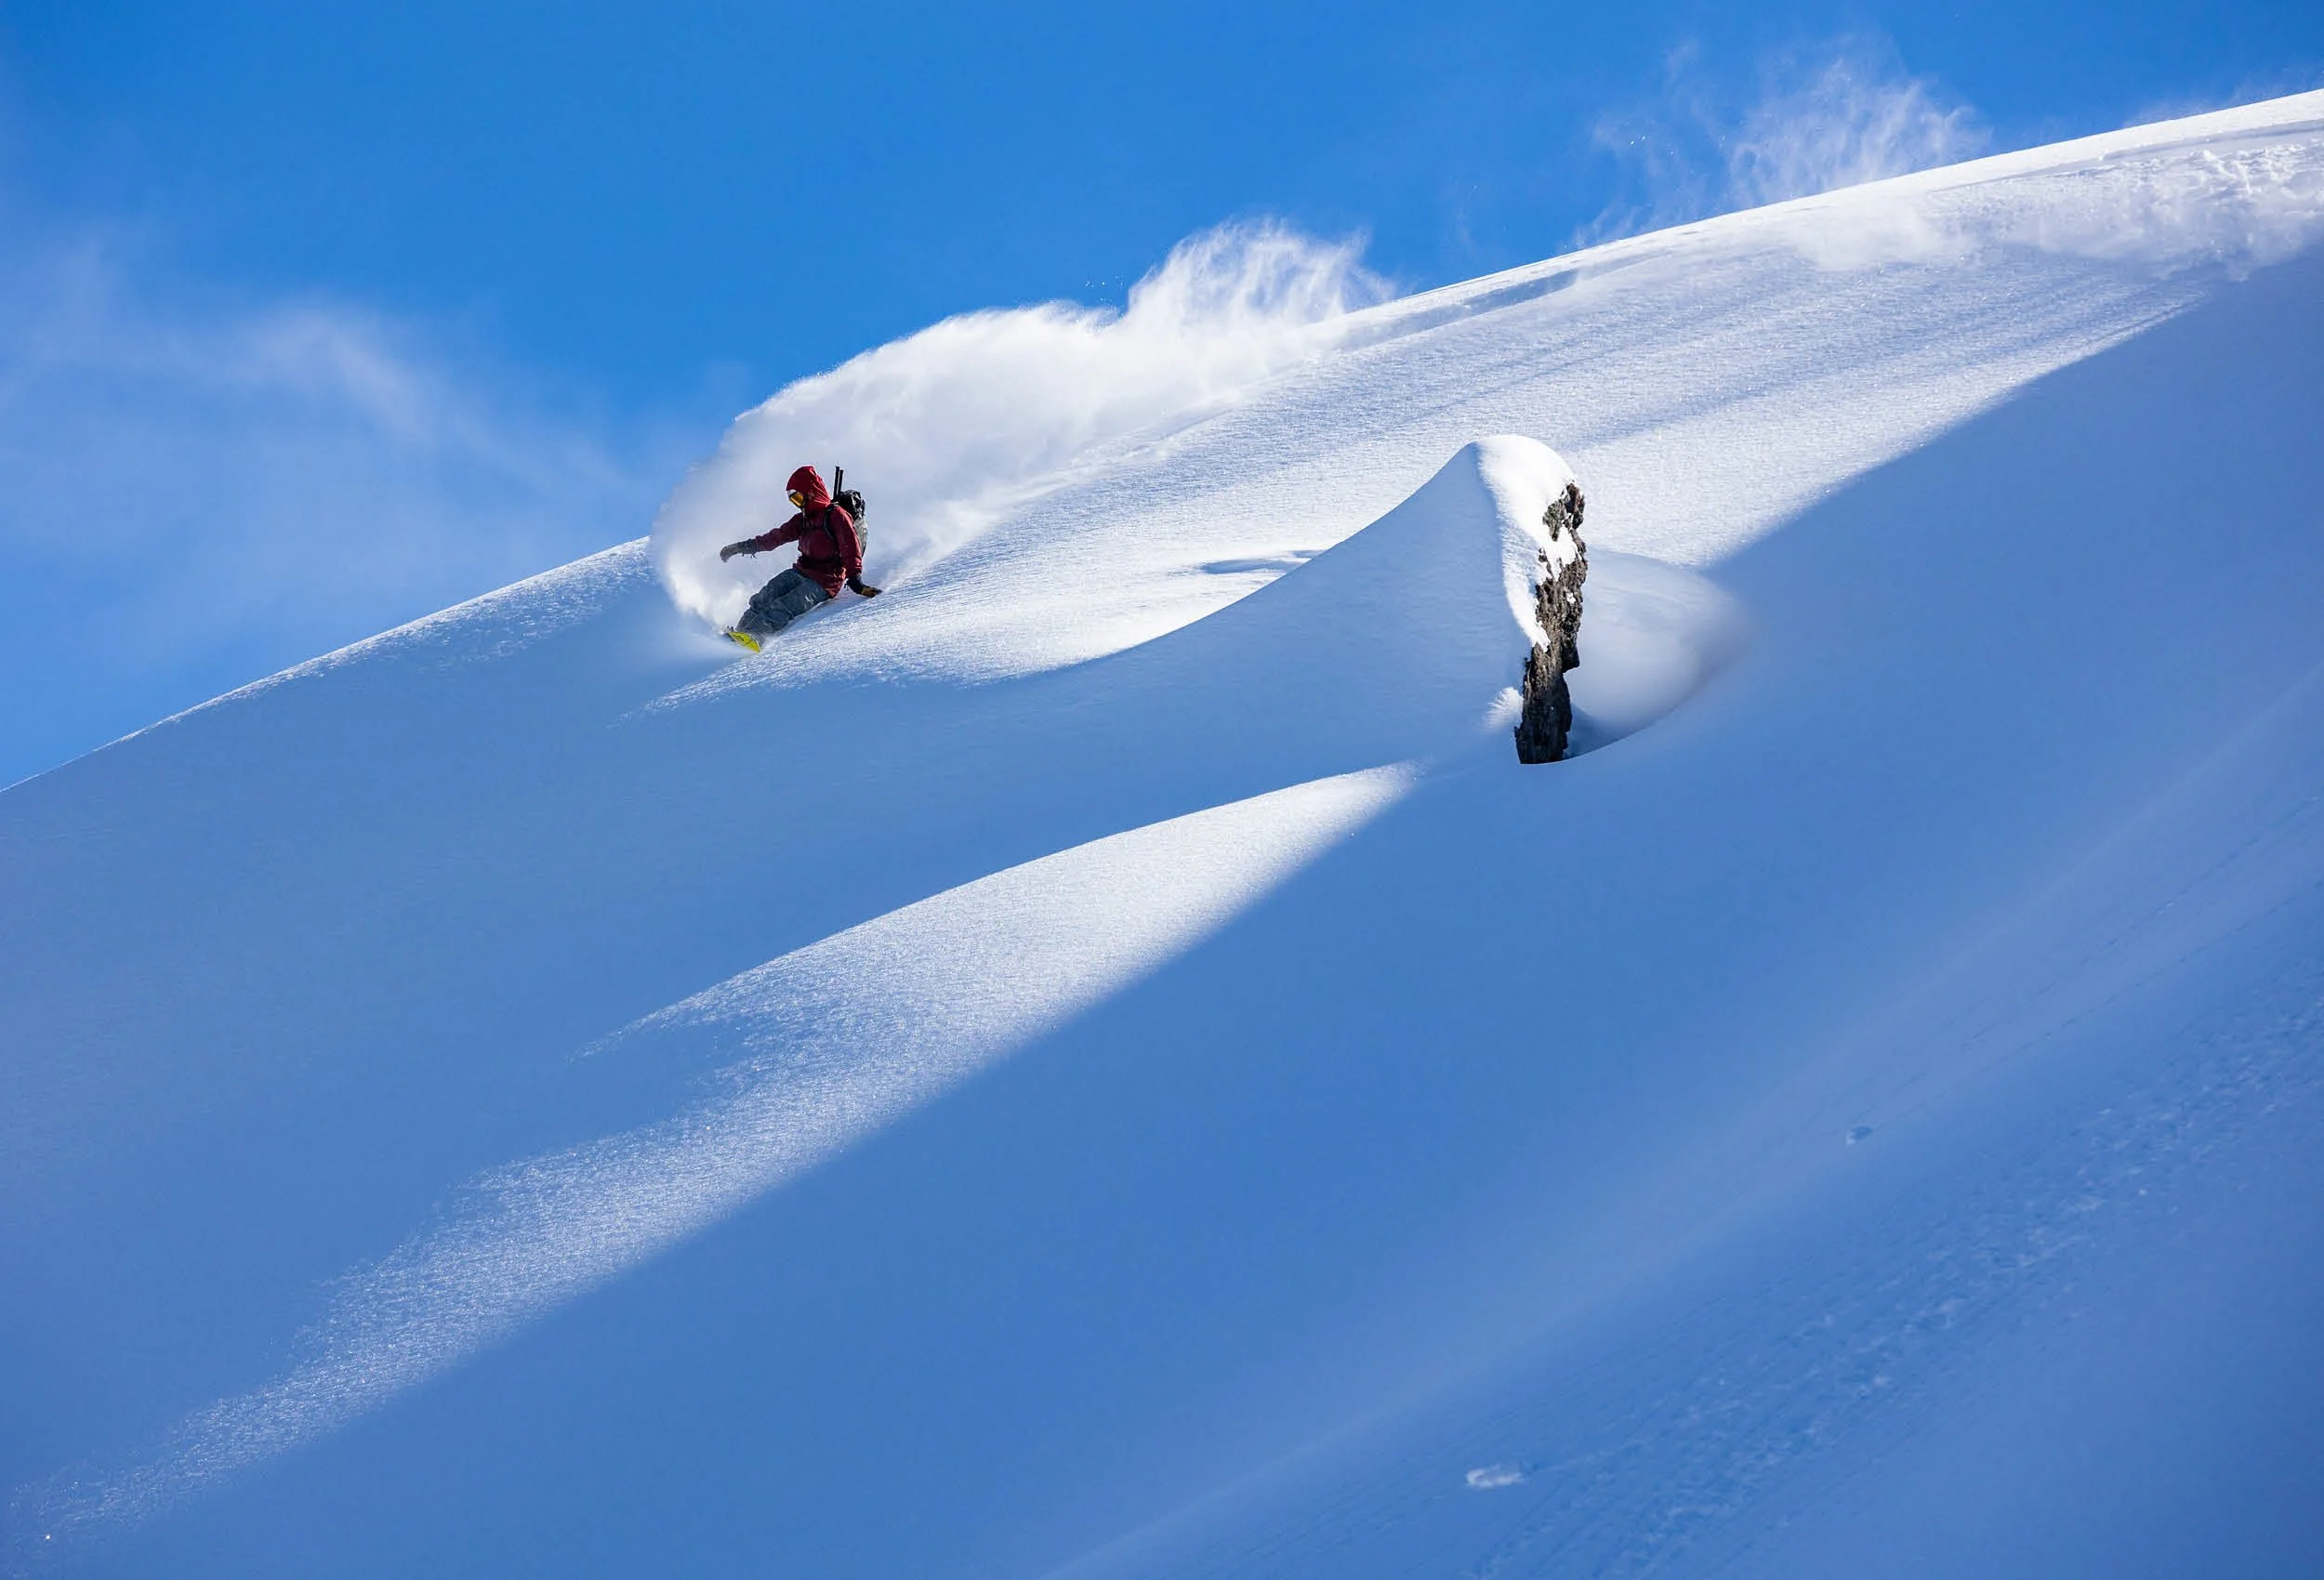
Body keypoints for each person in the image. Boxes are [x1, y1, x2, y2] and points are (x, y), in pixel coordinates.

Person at [718, 465, 879, 644]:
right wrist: (742, 547)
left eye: (798, 497)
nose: (798, 504)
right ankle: (740, 634)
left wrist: (855, 578)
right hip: (801, 570)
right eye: (794, 501)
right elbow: (775, 537)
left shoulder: (836, 515)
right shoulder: (802, 520)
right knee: (764, 596)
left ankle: (755, 638)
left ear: (811, 493)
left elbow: (851, 546)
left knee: (784, 605)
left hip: (825, 581)